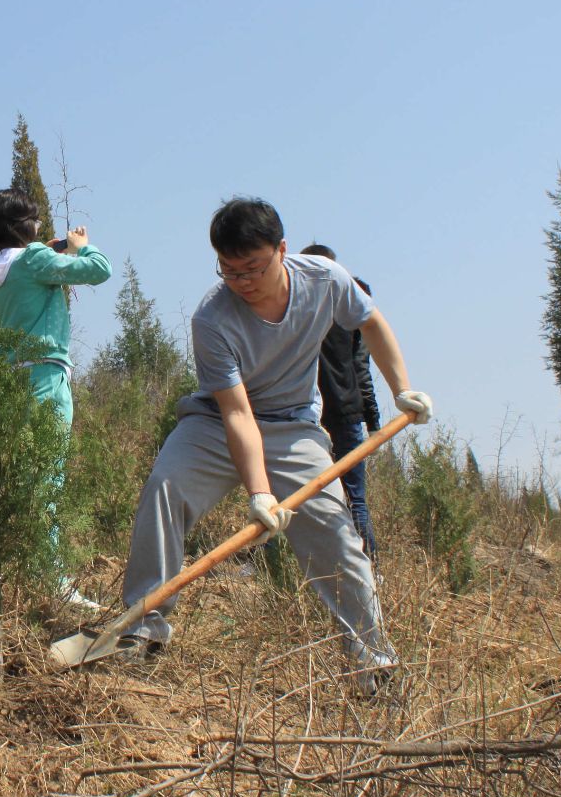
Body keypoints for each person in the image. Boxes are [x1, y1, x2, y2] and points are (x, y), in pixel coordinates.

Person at [116, 198, 432, 694]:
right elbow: (237, 412)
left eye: (253, 268)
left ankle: (371, 664)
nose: (241, 282)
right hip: (218, 424)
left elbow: (369, 321)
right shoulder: (212, 319)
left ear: (282, 250)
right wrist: (260, 495)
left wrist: (401, 389)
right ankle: (139, 630)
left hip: (293, 428)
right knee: (165, 487)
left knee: (337, 538)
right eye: (229, 271)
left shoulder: (325, 279)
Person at [0, 187, 112, 608]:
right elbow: (98, 269)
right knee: (47, 479)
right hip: (47, 376)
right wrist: (81, 247)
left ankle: (16, 569)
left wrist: (51, 247)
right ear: (24, 228)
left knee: (21, 477)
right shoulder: (35, 260)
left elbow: (26, 263)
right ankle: (52, 581)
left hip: (12, 380)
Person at [302, 243, 382, 564]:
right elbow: (361, 367)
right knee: (354, 498)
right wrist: (373, 420)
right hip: (346, 413)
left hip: (312, 416)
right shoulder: (349, 309)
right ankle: (372, 569)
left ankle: (280, 564)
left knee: (295, 496)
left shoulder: (299, 310)